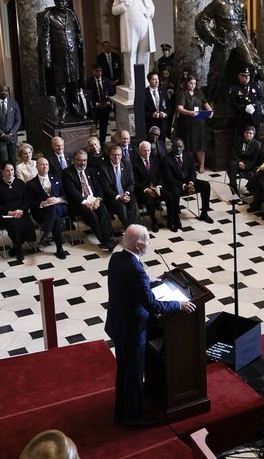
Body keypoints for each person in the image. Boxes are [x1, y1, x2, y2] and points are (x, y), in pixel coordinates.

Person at [105, 224, 195, 426]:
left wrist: (148, 279)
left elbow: (130, 281)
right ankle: (132, 418)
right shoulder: (134, 269)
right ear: (138, 245)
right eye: (147, 239)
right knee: (133, 373)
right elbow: (153, 305)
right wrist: (178, 304)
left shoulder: (118, 257)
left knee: (125, 371)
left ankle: (122, 411)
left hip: (118, 324)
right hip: (131, 330)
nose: (149, 242)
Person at [195, 0, 263, 100]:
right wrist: (214, 38)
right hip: (224, 40)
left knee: (251, 65)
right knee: (217, 72)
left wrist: (248, 43)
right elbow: (201, 20)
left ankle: (250, 96)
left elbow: (243, 26)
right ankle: (211, 100)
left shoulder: (241, 5)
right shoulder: (218, 3)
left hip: (239, 38)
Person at [39, 0, 86, 122]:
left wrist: (80, 41)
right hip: (58, 59)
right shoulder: (50, 17)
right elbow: (45, 39)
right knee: (61, 87)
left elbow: (78, 32)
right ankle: (63, 110)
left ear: (67, 2)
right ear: (55, 2)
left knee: (74, 84)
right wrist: (46, 57)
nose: (61, 4)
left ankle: (76, 108)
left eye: (64, 1)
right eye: (59, 1)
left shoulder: (71, 14)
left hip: (72, 57)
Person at [62, 150, 117, 252]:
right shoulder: (67, 173)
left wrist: (98, 200)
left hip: (92, 199)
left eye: (85, 160)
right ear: (74, 160)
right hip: (78, 203)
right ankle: (103, 240)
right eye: (79, 160)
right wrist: (85, 202)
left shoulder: (91, 171)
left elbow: (98, 188)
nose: (82, 163)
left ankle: (108, 238)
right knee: (91, 214)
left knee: (103, 210)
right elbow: (72, 192)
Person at [111, 0, 156, 88]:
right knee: (130, 54)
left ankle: (142, 80)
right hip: (130, 27)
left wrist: (149, 12)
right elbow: (114, 10)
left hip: (145, 25)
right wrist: (125, 5)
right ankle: (131, 81)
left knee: (144, 54)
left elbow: (151, 5)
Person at [161, 138, 213, 231]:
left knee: (206, 185)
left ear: (183, 147)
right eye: (176, 147)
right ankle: (175, 218)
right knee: (175, 193)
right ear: (172, 147)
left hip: (188, 181)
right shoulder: (166, 159)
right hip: (175, 183)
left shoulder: (188, 156)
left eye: (180, 146)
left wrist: (191, 183)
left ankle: (204, 213)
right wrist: (184, 186)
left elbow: (193, 172)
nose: (178, 149)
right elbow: (169, 178)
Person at [0, 162, 36, 262]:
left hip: (20, 212)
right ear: (2, 172)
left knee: (28, 223)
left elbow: (26, 201)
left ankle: (15, 247)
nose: (10, 173)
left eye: (12, 170)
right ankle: (19, 250)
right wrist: (9, 212)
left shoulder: (20, 183)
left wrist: (20, 210)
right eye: (7, 170)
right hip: (4, 214)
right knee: (14, 225)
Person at [27, 157, 68, 260]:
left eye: (46, 164)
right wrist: (43, 203)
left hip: (60, 206)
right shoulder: (31, 184)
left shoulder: (56, 178)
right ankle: (59, 248)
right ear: (36, 167)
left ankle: (46, 234)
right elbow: (29, 203)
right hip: (42, 211)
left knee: (53, 208)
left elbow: (65, 195)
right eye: (42, 164)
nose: (45, 166)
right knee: (55, 218)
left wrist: (58, 199)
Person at [175, 76, 213, 174]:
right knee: (188, 145)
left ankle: (202, 165)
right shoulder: (182, 93)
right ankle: (189, 166)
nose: (193, 85)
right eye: (191, 83)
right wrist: (190, 113)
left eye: (194, 83)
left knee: (200, 144)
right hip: (187, 123)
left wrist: (210, 111)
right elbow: (180, 108)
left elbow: (206, 104)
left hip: (199, 123)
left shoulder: (199, 93)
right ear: (186, 83)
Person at [99, 145, 139, 233]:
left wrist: (126, 193)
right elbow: (105, 187)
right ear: (110, 155)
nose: (117, 157)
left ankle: (133, 229)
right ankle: (130, 230)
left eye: (119, 155)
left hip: (126, 193)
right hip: (112, 196)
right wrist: (118, 197)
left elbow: (131, 182)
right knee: (121, 207)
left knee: (134, 204)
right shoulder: (103, 168)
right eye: (114, 155)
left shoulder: (127, 164)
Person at [131, 141, 163, 232]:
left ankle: (172, 219)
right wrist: (147, 190)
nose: (147, 152)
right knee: (149, 201)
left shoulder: (155, 160)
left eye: (149, 150)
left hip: (156, 187)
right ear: (140, 151)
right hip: (142, 190)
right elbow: (135, 182)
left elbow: (160, 176)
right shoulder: (134, 163)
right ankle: (154, 221)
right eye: (145, 150)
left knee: (170, 195)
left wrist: (159, 186)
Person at [0, 84, 22, 164]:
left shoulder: (13, 103)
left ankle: (14, 176)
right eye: (2, 91)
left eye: (6, 91)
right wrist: (2, 135)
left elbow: (18, 121)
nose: (4, 92)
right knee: (4, 161)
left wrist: (11, 133)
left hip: (12, 138)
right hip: (0, 138)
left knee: (13, 160)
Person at [228, 67, 264, 139]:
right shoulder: (234, 88)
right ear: (239, 76)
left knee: (255, 139)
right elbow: (232, 103)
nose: (247, 77)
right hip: (242, 118)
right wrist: (243, 108)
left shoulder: (255, 85)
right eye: (244, 76)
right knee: (242, 139)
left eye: (248, 75)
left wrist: (254, 105)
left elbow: (262, 98)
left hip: (255, 116)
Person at [227, 126, 262, 195]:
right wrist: (239, 162)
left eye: (250, 133)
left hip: (249, 165)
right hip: (238, 162)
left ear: (253, 134)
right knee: (232, 164)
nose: (248, 135)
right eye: (247, 133)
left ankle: (233, 188)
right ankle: (234, 188)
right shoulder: (239, 140)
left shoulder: (257, 144)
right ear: (244, 133)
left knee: (230, 170)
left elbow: (255, 160)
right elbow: (233, 154)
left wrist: (245, 165)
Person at [85, 65, 115, 144]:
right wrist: (96, 104)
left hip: (105, 108)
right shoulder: (89, 82)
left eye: (100, 71)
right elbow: (87, 96)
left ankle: (102, 143)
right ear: (93, 71)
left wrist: (108, 102)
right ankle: (93, 143)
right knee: (93, 126)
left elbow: (112, 93)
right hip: (94, 109)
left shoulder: (107, 81)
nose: (99, 73)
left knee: (104, 126)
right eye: (97, 71)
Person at [143, 72, 169, 138]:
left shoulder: (163, 91)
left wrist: (165, 114)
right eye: (154, 79)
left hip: (162, 124)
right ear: (149, 81)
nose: (157, 81)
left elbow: (169, 106)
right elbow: (141, 111)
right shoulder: (144, 93)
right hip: (151, 124)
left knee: (162, 143)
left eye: (157, 79)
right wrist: (152, 115)